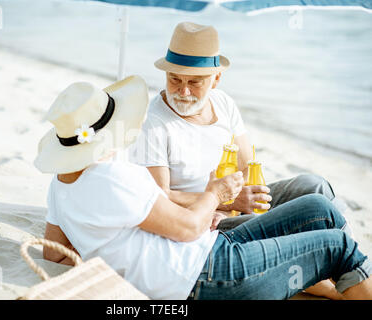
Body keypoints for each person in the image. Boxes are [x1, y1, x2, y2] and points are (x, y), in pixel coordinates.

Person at [34, 76, 372, 300]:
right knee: (337, 246)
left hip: (205, 252)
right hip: (207, 275)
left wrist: (119, 251)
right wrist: (214, 194)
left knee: (318, 209)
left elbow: (54, 253)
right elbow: (187, 228)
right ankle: (350, 278)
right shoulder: (113, 177)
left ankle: (348, 281)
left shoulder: (62, 183)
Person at [128, 21, 350, 234]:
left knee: (314, 185)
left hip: (232, 203)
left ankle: (347, 259)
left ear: (215, 80)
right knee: (311, 212)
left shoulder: (223, 103)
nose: (183, 92)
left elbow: (246, 167)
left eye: (194, 82)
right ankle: (349, 263)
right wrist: (223, 203)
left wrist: (238, 200)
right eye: (175, 79)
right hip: (202, 218)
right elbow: (159, 196)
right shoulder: (153, 122)